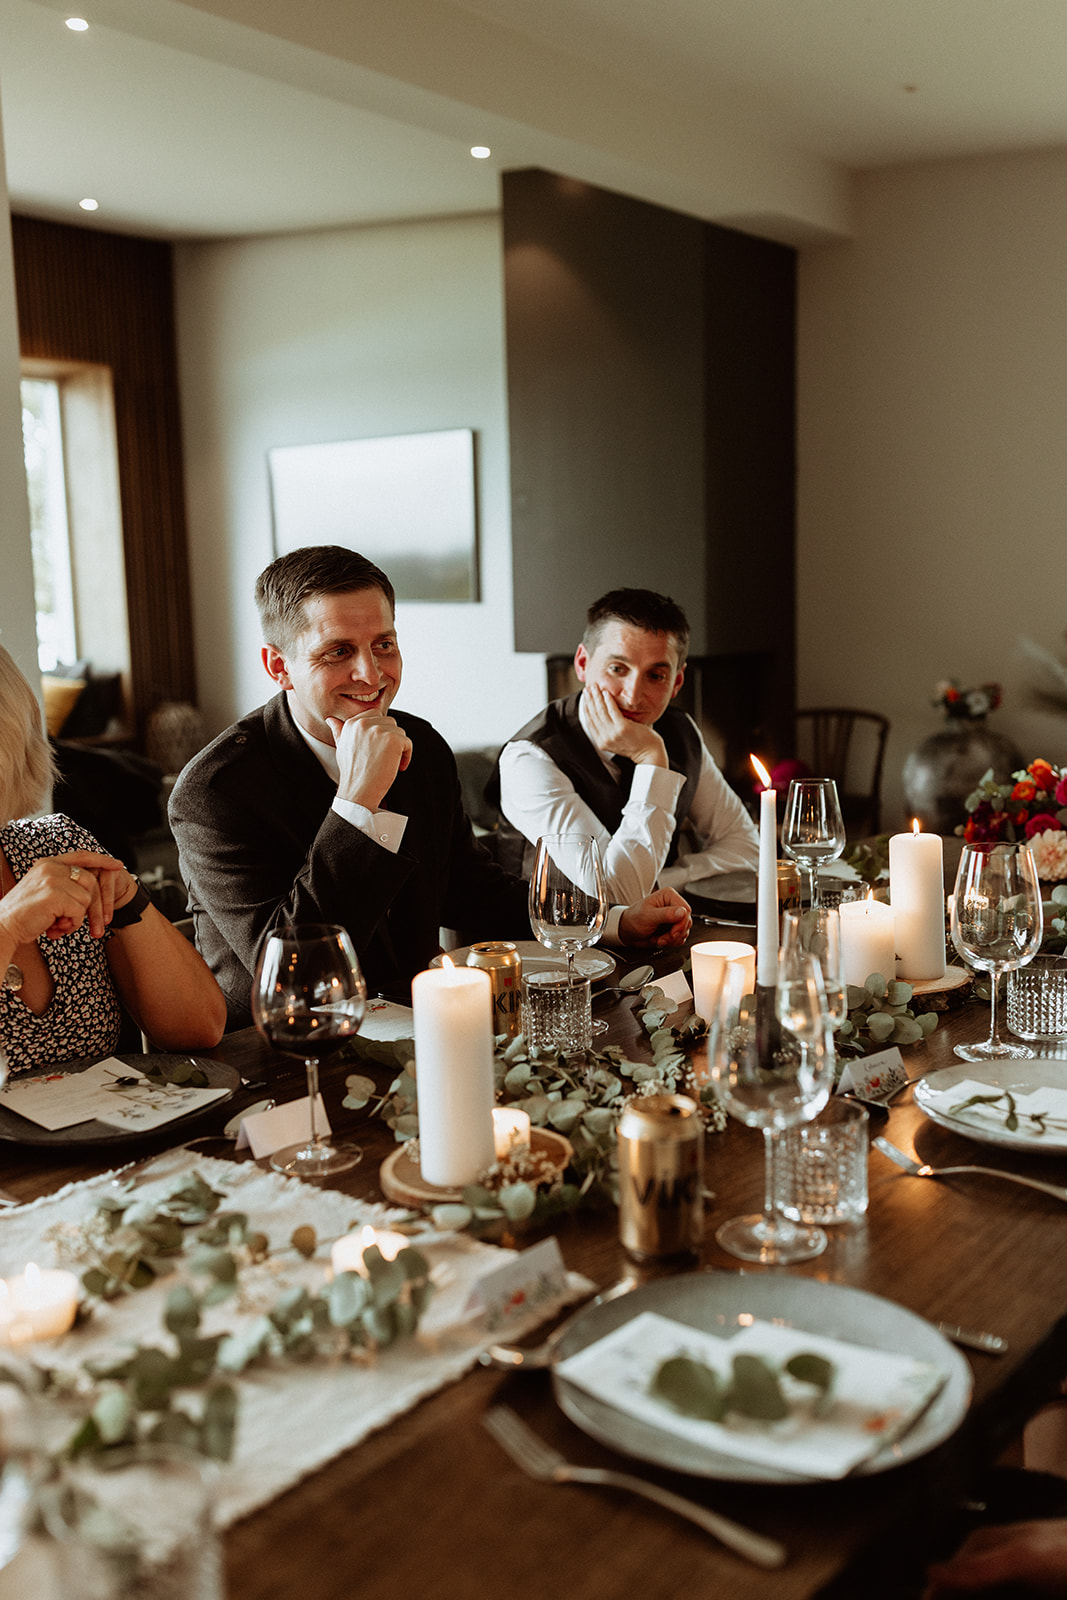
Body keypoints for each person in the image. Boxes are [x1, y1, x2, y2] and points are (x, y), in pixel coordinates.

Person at [169, 547, 692, 1026]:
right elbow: (294, 973)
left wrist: (612, 922)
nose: (371, 674)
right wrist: (357, 800)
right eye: (337, 652)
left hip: (420, 1023)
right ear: (279, 666)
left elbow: (471, 892)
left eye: (384, 645)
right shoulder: (213, 793)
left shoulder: (422, 745)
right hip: (278, 1052)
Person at [0, 644, 226, 1073]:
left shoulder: (56, 847)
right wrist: (7, 926)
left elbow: (200, 1029)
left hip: (115, 1135)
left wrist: (128, 899)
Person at [494, 588, 760, 902]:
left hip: (660, 932)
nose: (633, 696)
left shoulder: (681, 732)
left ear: (676, 682)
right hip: (546, 944)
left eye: (656, 675)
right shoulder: (529, 759)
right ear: (582, 663)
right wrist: (651, 759)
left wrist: (663, 882)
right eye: (617, 669)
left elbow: (747, 850)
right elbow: (616, 892)